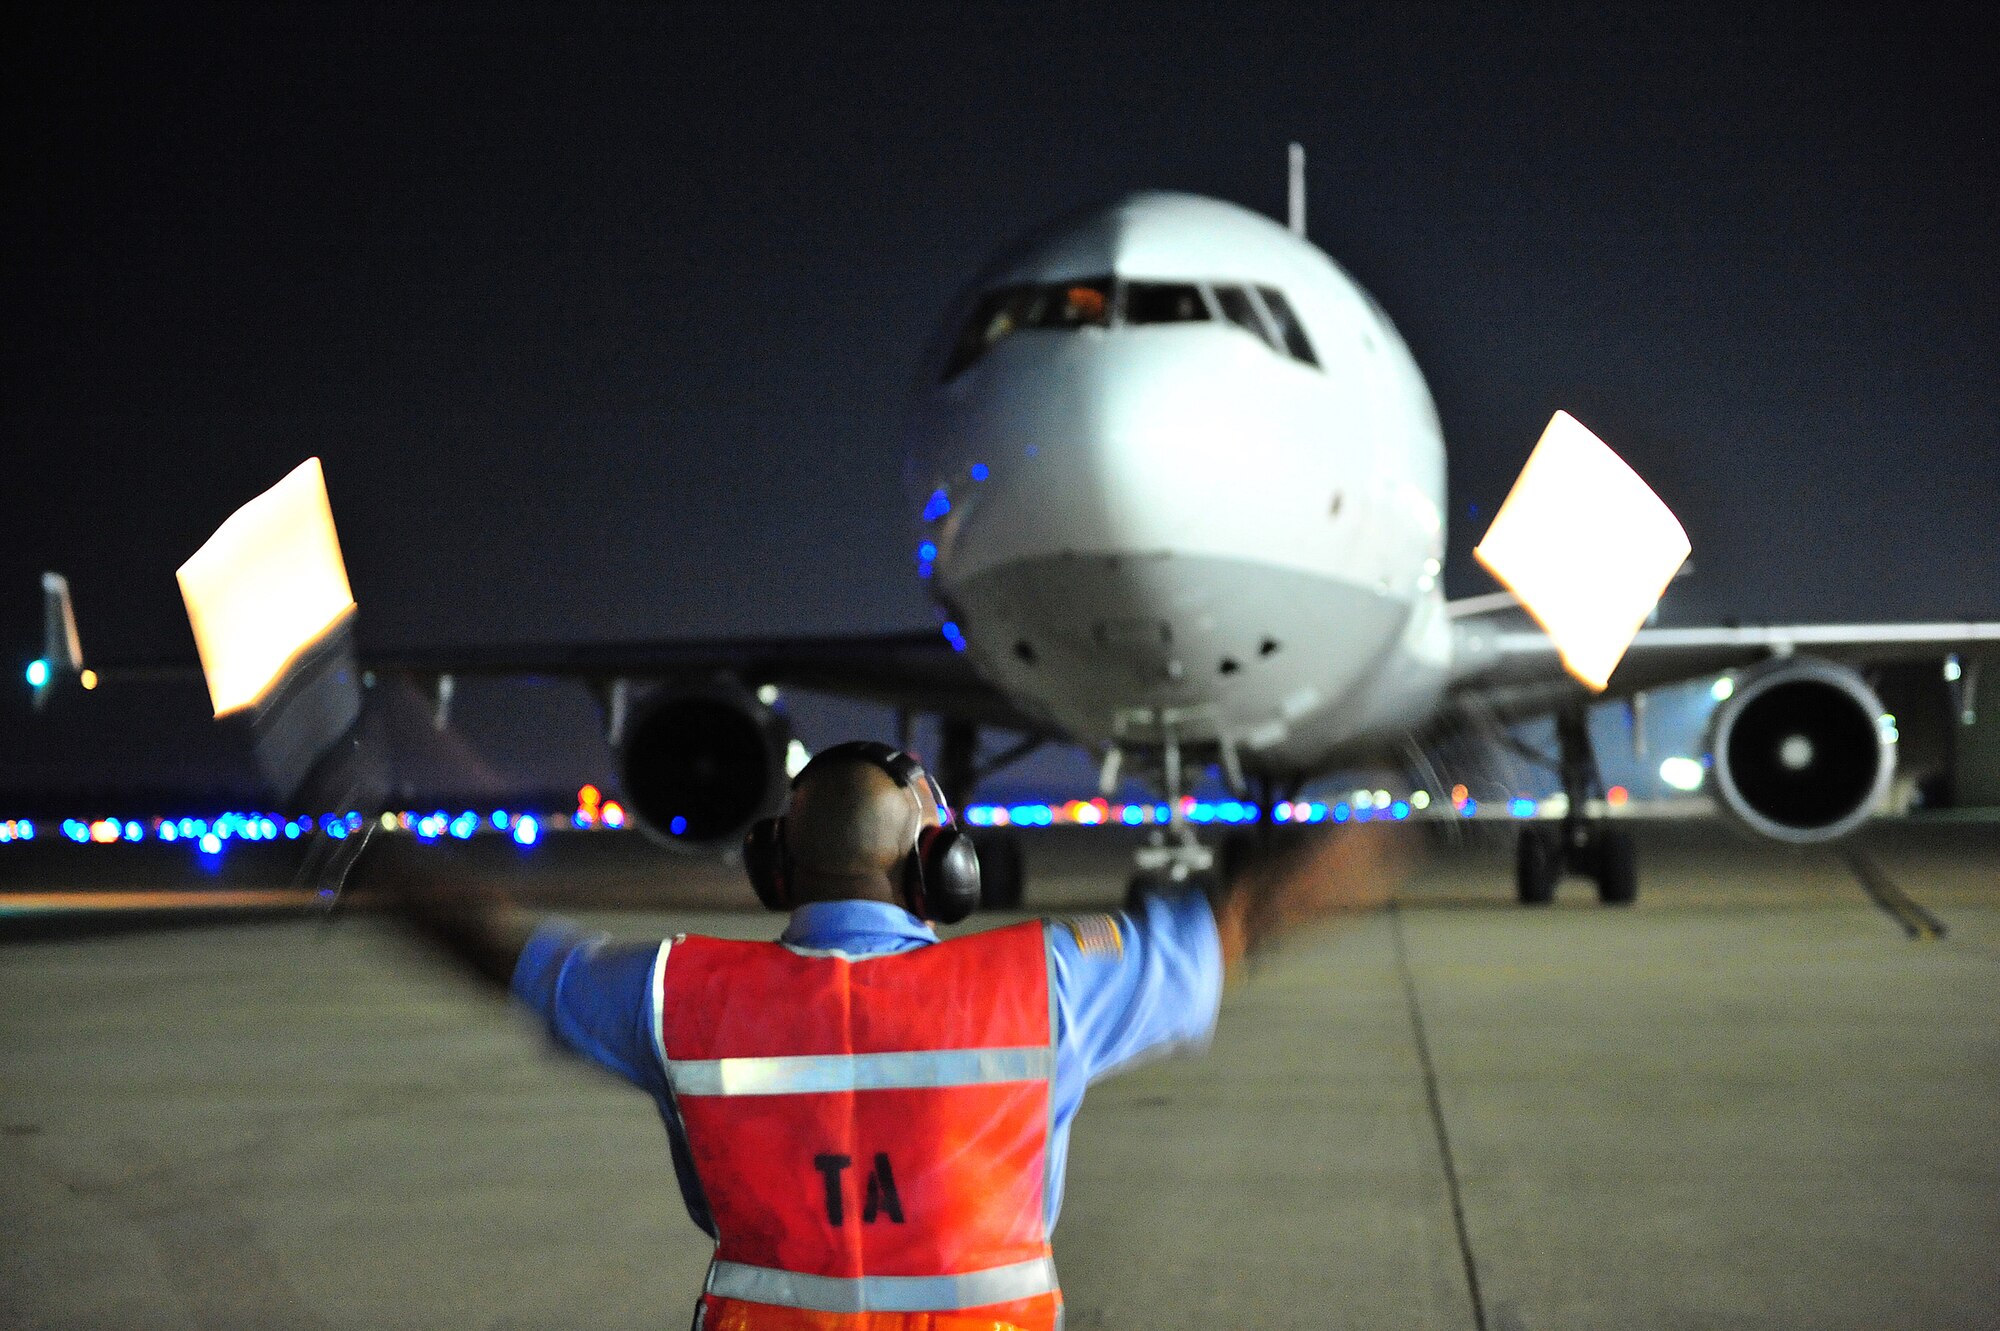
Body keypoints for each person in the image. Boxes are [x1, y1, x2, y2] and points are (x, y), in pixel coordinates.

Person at [375, 741, 1403, 1331]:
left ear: (776, 867)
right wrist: (1413, 769)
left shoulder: (675, 993)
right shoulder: (1037, 982)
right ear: (938, 870)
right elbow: (1245, 918)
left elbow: (496, 948)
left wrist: (352, 848)